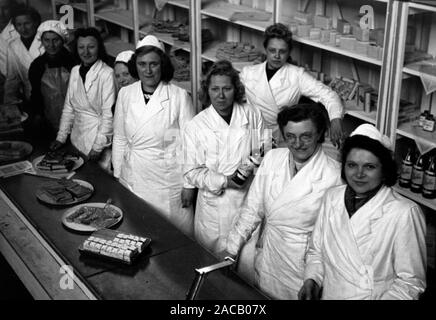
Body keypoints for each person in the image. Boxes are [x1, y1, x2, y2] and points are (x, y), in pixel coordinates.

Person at [225, 103, 343, 299]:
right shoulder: (272, 158)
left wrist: (313, 279)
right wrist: (231, 249)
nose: (297, 144)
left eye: (306, 136)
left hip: (302, 270)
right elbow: (252, 210)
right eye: (290, 136)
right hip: (268, 257)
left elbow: (331, 242)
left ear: (320, 133)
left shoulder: (334, 176)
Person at [299, 124, 427, 300]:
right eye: (352, 165)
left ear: (384, 171)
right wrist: (312, 280)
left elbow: (410, 283)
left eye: (369, 167)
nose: (358, 174)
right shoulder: (332, 197)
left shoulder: (404, 213)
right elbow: (317, 251)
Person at [183, 60, 265, 281]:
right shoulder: (196, 125)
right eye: (215, 89)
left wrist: (249, 167)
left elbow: (263, 147)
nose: (221, 95)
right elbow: (192, 171)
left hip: (247, 202)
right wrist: (226, 181)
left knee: (246, 270)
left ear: (235, 89)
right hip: (214, 208)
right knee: (213, 273)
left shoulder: (251, 113)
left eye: (227, 88)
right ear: (207, 91)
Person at [112, 35, 195, 236]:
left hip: (166, 180)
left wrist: (189, 184)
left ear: (162, 66)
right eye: (142, 64)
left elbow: (191, 144)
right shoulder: (126, 93)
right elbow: (120, 137)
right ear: (135, 66)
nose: (148, 70)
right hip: (133, 176)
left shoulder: (178, 96)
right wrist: (117, 175)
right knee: (137, 234)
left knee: (170, 238)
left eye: (153, 64)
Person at [239, 23, 344, 148]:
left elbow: (329, 96)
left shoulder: (297, 75)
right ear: (265, 49)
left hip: (279, 136)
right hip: (250, 132)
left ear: (289, 52)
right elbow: (233, 98)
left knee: (266, 164)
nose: (277, 56)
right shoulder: (248, 73)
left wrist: (335, 119)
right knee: (242, 164)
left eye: (282, 51)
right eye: (272, 50)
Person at [51, 27, 115, 171]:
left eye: (91, 47)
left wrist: (98, 147)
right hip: (77, 137)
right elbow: (69, 108)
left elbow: (108, 116)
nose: (86, 52)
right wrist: (61, 137)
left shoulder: (107, 74)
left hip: (97, 137)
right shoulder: (75, 71)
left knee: (97, 179)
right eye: (81, 47)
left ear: (99, 48)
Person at [28, 20, 77, 137]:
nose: (51, 45)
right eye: (47, 40)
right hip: (49, 121)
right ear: (42, 41)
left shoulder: (74, 62)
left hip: (76, 119)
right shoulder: (37, 65)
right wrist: (37, 116)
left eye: (55, 40)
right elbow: (35, 94)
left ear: (62, 40)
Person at [4, 4, 43, 103]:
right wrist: (10, 102)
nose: (23, 29)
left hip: (53, 95)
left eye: (27, 23)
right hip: (30, 98)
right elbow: (12, 79)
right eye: (19, 25)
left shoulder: (48, 41)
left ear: (36, 22)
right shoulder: (13, 46)